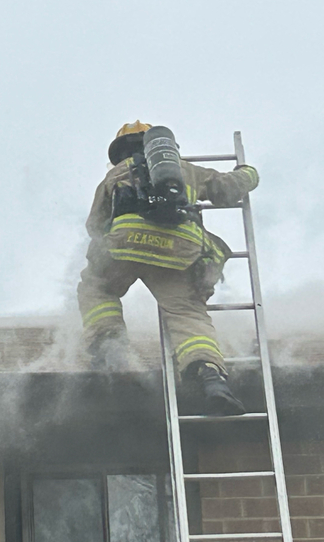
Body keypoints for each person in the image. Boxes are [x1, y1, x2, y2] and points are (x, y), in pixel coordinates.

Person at [77, 121, 259, 414]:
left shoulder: (115, 174)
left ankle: (109, 347)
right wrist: (249, 174)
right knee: (187, 313)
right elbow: (226, 190)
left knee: (96, 287)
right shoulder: (185, 170)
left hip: (125, 244)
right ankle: (211, 378)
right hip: (178, 249)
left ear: (121, 150)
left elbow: (94, 226)